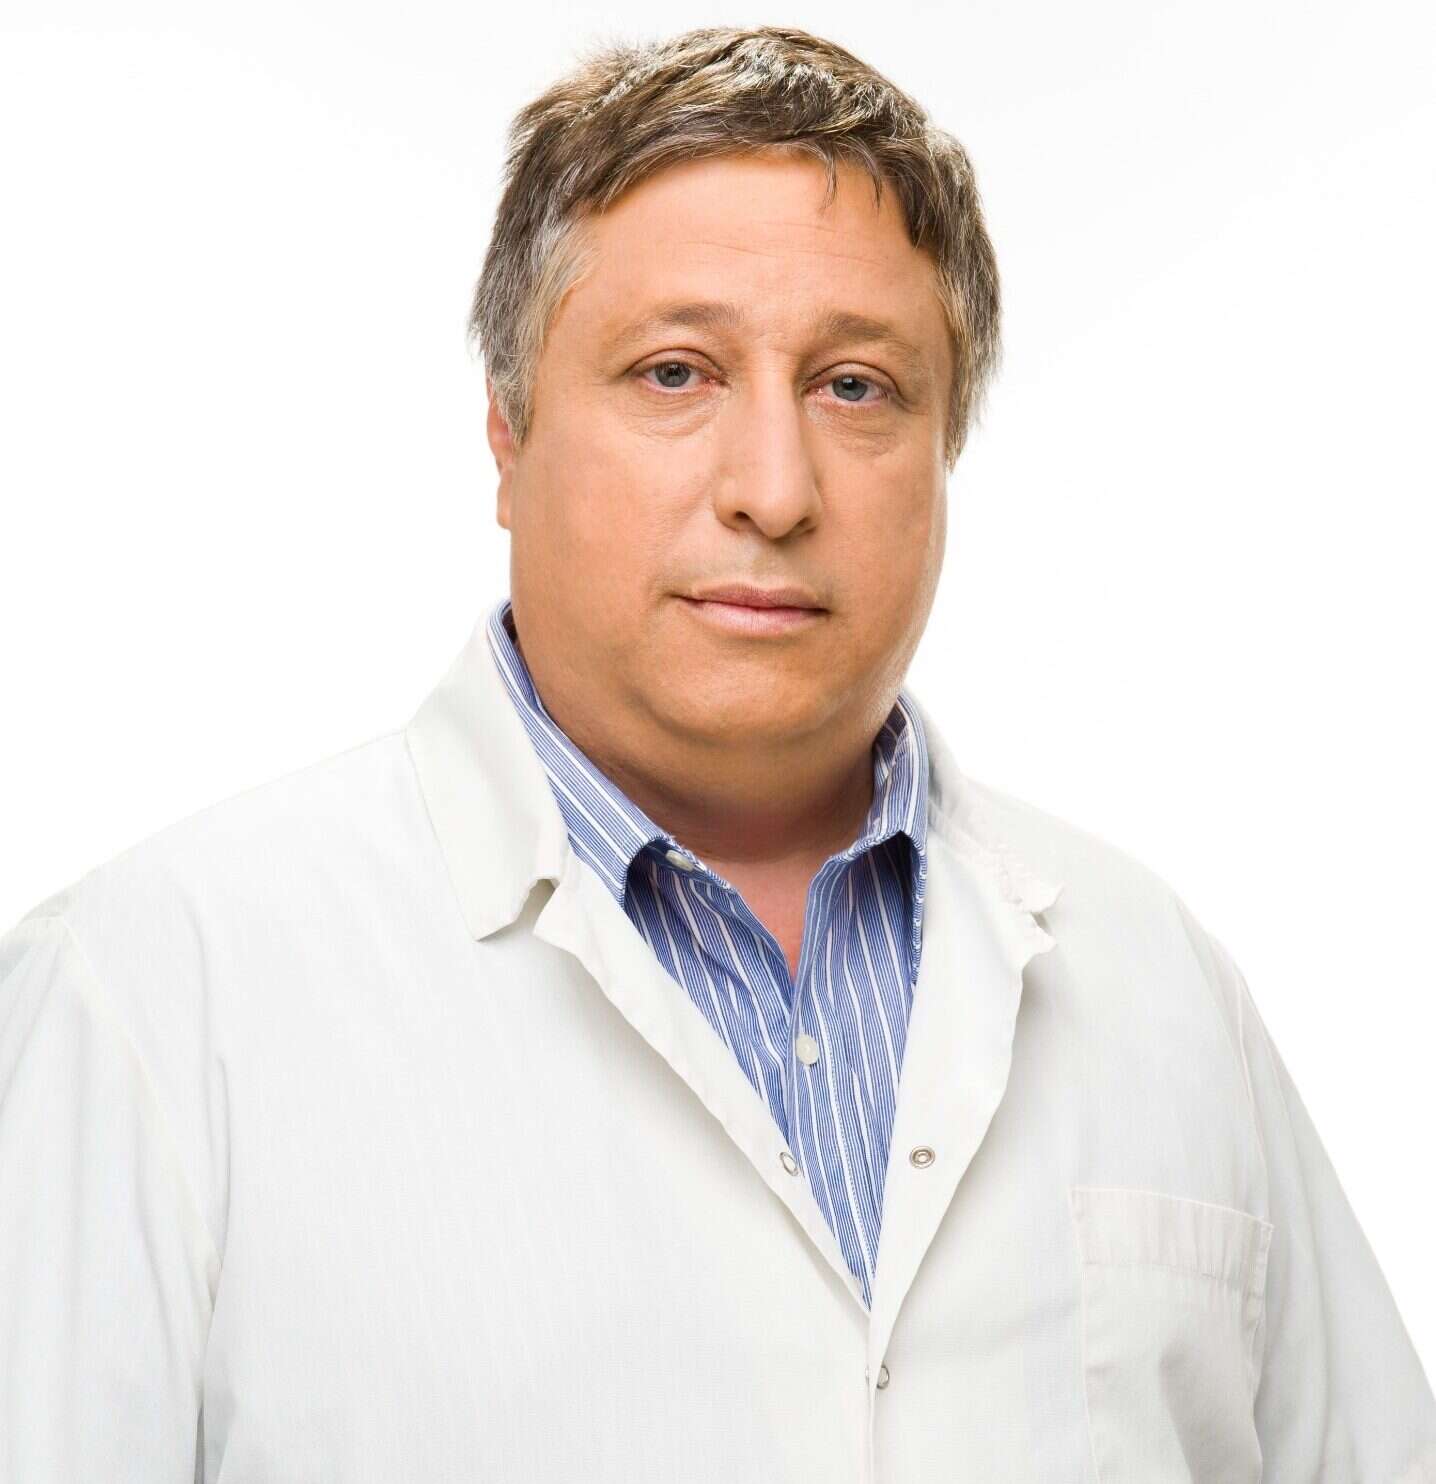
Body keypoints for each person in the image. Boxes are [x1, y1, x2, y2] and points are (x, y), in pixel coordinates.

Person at [2, 23, 1433, 1483]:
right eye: (675, 373)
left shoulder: (1156, 980)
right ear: (507, 435)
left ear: (946, 449)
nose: (773, 489)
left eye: (856, 386)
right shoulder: (154, 993)